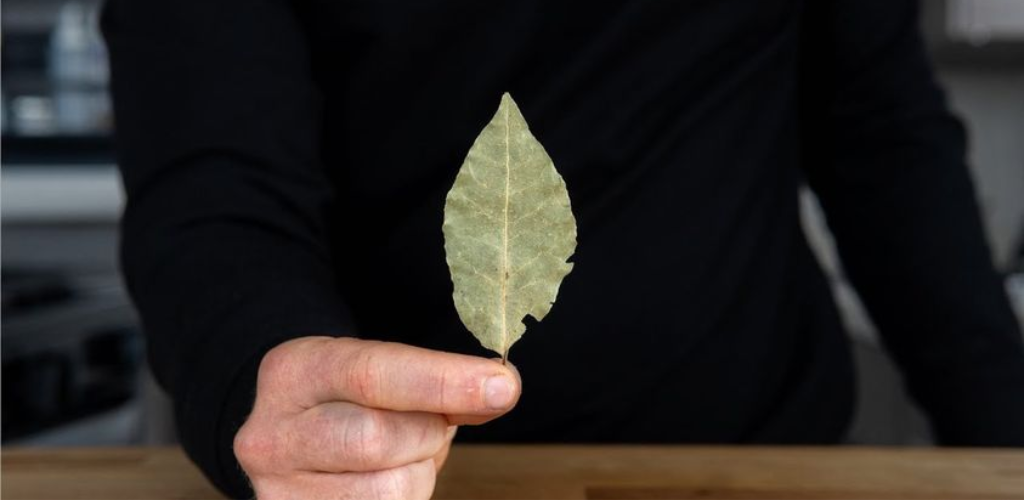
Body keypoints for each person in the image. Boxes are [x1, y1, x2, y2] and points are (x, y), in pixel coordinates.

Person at [101, 0, 1024, 498]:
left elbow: (882, 139)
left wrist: (1005, 430)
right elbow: (213, 184)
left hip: (756, 460)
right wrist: (265, 370)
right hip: (411, 482)